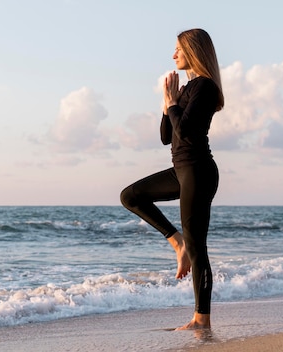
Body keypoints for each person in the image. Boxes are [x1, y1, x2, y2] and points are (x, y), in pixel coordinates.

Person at [120, 28, 224, 330]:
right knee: (131, 196)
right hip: (181, 170)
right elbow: (167, 136)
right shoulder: (189, 89)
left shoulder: (205, 87)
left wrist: (172, 102)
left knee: (198, 247)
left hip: (198, 171)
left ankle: (201, 319)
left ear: (192, 51)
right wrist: (168, 104)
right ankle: (174, 240)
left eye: (178, 48)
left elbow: (187, 132)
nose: (173, 54)